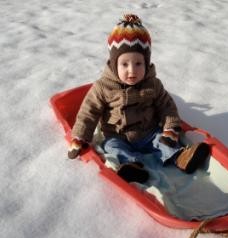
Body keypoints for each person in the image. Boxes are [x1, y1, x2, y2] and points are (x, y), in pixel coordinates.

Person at [67, 14, 210, 183]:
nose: (132, 71)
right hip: (117, 136)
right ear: (114, 64)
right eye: (124, 64)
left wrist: (170, 128)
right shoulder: (102, 87)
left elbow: (167, 106)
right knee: (111, 147)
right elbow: (88, 113)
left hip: (148, 132)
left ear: (147, 62)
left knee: (163, 141)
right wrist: (79, 136)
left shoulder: (153, 84)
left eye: (138, 64)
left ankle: (181, 158)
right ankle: (131, 166)